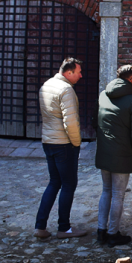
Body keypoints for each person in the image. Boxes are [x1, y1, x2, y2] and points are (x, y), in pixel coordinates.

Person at [34, 57, 88, 240]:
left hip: (48, 141)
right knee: (68, 184)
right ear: (68, 72)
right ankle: (64, 227)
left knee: (54, 182)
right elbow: (70, 122)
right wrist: (76, 143)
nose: (81, 75)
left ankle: (40, 226)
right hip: (63, 144)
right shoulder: (66, 90)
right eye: (78, 72)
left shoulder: (47, 85)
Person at [95, 64, 132, 247]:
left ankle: (101, 231)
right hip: (122, 154)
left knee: (106, 190)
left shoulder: (103, 95)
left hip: (104, 151)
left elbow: (95, 120)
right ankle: (113, 233)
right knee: (118, 195)